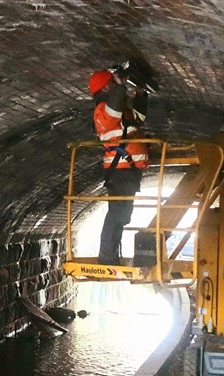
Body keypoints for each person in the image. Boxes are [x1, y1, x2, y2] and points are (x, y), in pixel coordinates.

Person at [88, 68, 149, 265]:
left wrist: (140, 93)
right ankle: (107, 257)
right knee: (117, 214)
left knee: (122, 215)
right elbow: (112, 109)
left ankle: (110, 255)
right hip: (121, 171)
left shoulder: (121, 112)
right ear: (106, 86)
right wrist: (121, 85)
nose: (114, 85)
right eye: (112, 83)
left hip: (128, 172)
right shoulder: (102, 111)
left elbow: (138, 116)